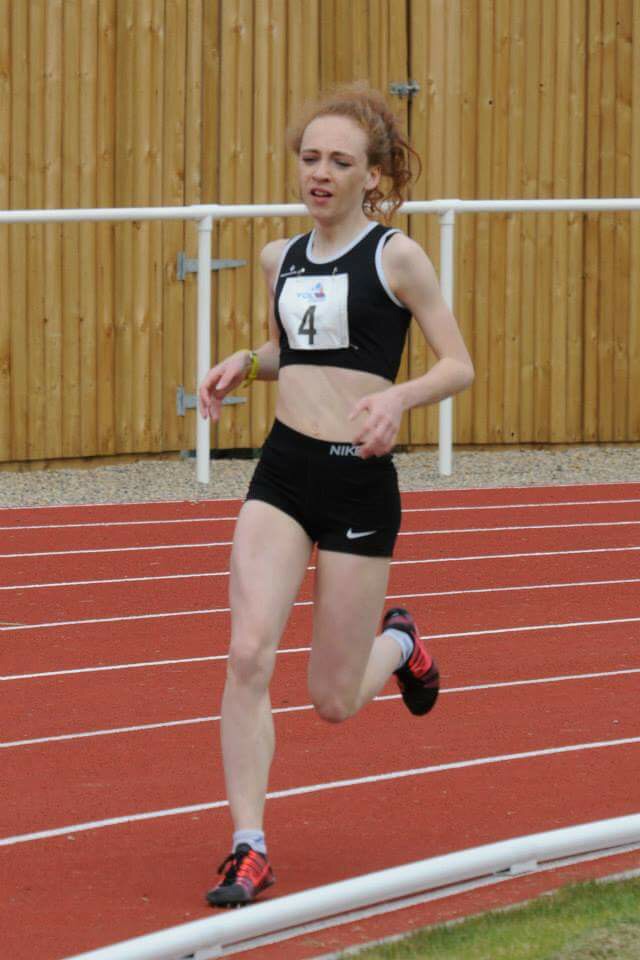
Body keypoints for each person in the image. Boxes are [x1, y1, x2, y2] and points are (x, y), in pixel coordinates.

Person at [198, 84, 474, 908]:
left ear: (372, 176)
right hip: (284, 472)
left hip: (359, 481)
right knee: (248, 654)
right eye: (310, 158)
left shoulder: (397, 257)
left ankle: (400, 642)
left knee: (332, 701)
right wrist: (245, 362)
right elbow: (293, 351)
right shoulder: (278, 257)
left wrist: (399, 399)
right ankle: (248, 846)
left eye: (340, 162)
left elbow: (457, 364)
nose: (320, 173)